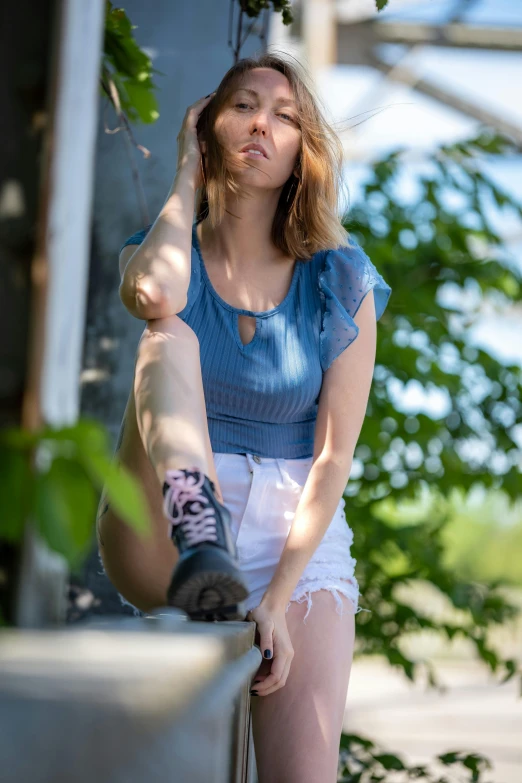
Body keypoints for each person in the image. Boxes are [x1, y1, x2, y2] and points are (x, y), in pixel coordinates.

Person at [97, 51, 391, 783]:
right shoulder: (170, 252)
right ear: (208, 129)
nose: (262, 123)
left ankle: (243, 574)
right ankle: (201, 522)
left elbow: (332, 457)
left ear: (303, 152)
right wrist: (184, 179)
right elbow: (152, 293)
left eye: (285, 116)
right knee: (168, 329)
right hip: (171, 534)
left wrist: (278, 600)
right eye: (242, 106)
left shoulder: (339, 279)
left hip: (294, 539)